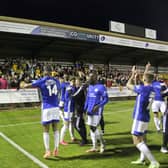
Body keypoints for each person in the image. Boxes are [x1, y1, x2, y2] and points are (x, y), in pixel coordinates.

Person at [22, 70, 61, 159]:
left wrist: (23, 84)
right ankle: (56, 148)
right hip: (55, 106)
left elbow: (27, 86)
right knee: (55, 128)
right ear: (51, 73)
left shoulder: (41, 81)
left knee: (46, 130)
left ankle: (47, 150)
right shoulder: (56, 81)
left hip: (47, 107)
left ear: (44, 73)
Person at [126, 65, 160, 168]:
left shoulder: (143, 89)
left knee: (136, 140)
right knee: (143, 139)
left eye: (143, 77)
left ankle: (154, 162)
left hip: (139, 117)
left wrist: (132, 74)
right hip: (145, 117)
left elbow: (128, 84)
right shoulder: (152, 88)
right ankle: (142, 159)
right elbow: (147, 79)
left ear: (145, 79)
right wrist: (146, 70)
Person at [84, 71, 108, 153]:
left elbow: (106, 99)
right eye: (89, 77)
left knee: (94, 127)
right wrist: (85, 108)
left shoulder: (101, 87)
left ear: (95, 77)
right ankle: (94, 147)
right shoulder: (90, 86)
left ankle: (102, 143)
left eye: (91, 77)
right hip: (90, 110)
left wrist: (98, 106)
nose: (89, 78)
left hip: (97, 111)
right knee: (91, 128)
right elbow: (87, 98)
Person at [60, 77, 76, 145]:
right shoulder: (69, 88)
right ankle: (61, 140)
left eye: (74, 81)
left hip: (71, 108)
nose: (73, 82)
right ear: (70, 81)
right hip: (68, 109)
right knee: (66, 125)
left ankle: (72, 137)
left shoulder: (73, 87)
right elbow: (67, 98)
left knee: (71, 123)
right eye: (72, 81)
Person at [72, 77, 88, 146]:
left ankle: (84, 139)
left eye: (77, 81)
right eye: (75, 81)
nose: (76, 83)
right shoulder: (80, 88)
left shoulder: (81, 88)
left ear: (80, 82)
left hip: (79, 109)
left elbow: (74, 97)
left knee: (77, 125)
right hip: (80, 109)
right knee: (81, 125)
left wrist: (69, 91)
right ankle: (85, 139)